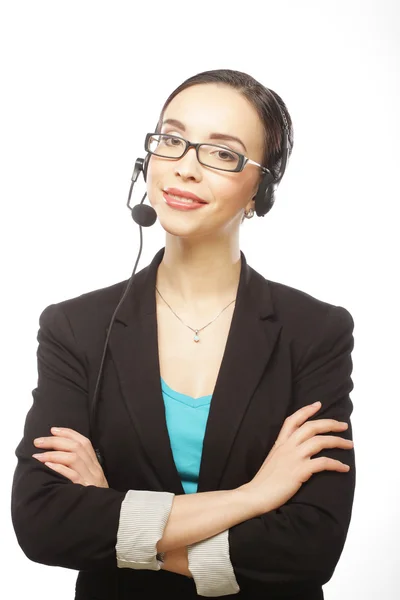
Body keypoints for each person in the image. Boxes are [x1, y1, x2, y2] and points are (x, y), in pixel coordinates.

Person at [11, 69, 356, 600]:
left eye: (223, 154)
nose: (185, 169)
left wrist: (117, 517)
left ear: (259, 191)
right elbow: (44, 521)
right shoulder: (73, 328)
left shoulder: (314, 332)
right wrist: (256, 495)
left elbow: (311, 546)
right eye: (172, 140)